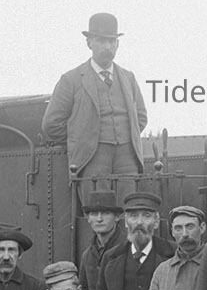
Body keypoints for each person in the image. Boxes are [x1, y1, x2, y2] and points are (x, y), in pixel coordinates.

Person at [41, 11, 148, 192]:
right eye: (101, 40)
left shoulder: (128, 78)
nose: (108, 46)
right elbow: (51, 124)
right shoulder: (71, 80)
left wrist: (127, 140)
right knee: (95, 207)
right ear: (89, 42)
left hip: (127, 159)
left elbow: (141, 117)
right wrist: (82, 138)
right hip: (91, 159)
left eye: (112, 41)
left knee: (130, 206)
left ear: (118, 44)